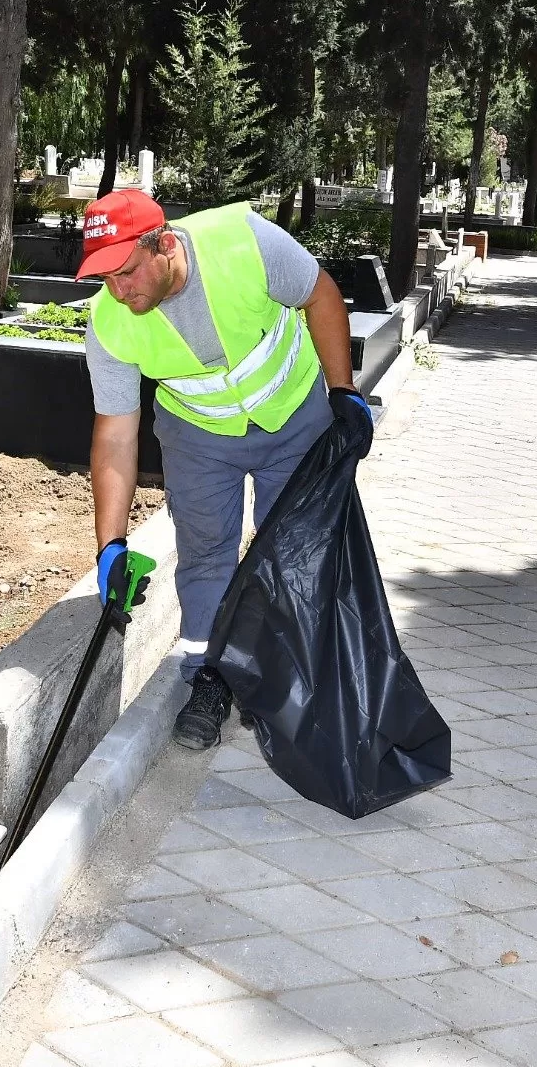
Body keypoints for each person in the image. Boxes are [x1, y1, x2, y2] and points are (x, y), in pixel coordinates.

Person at [77, 189, 374, 750]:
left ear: (163, 245)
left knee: (293, 551)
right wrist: (109, 546)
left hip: (292, 417)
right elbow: (115, 433)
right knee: (206, 553)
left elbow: (322, 295)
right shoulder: (109, 324)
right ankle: (209, 680)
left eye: (128, 272)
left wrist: (343, 391)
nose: (120, 290)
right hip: (199, 438)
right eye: (106, 278)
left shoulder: (245, 243)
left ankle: (285, 676)